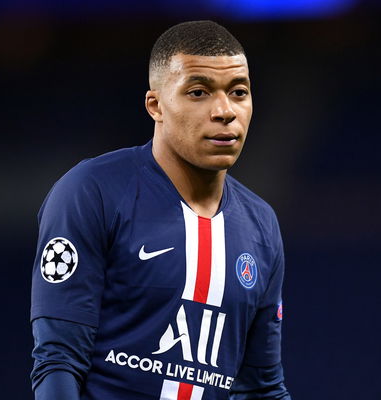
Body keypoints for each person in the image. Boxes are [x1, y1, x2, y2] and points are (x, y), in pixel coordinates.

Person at [30, 21, 291, 400]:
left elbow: (262, 389)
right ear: (156, 105)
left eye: (238, 92)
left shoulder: (261, 225)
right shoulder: (92, 191)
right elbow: (58, 361)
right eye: (199, 92)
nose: (224, 111)